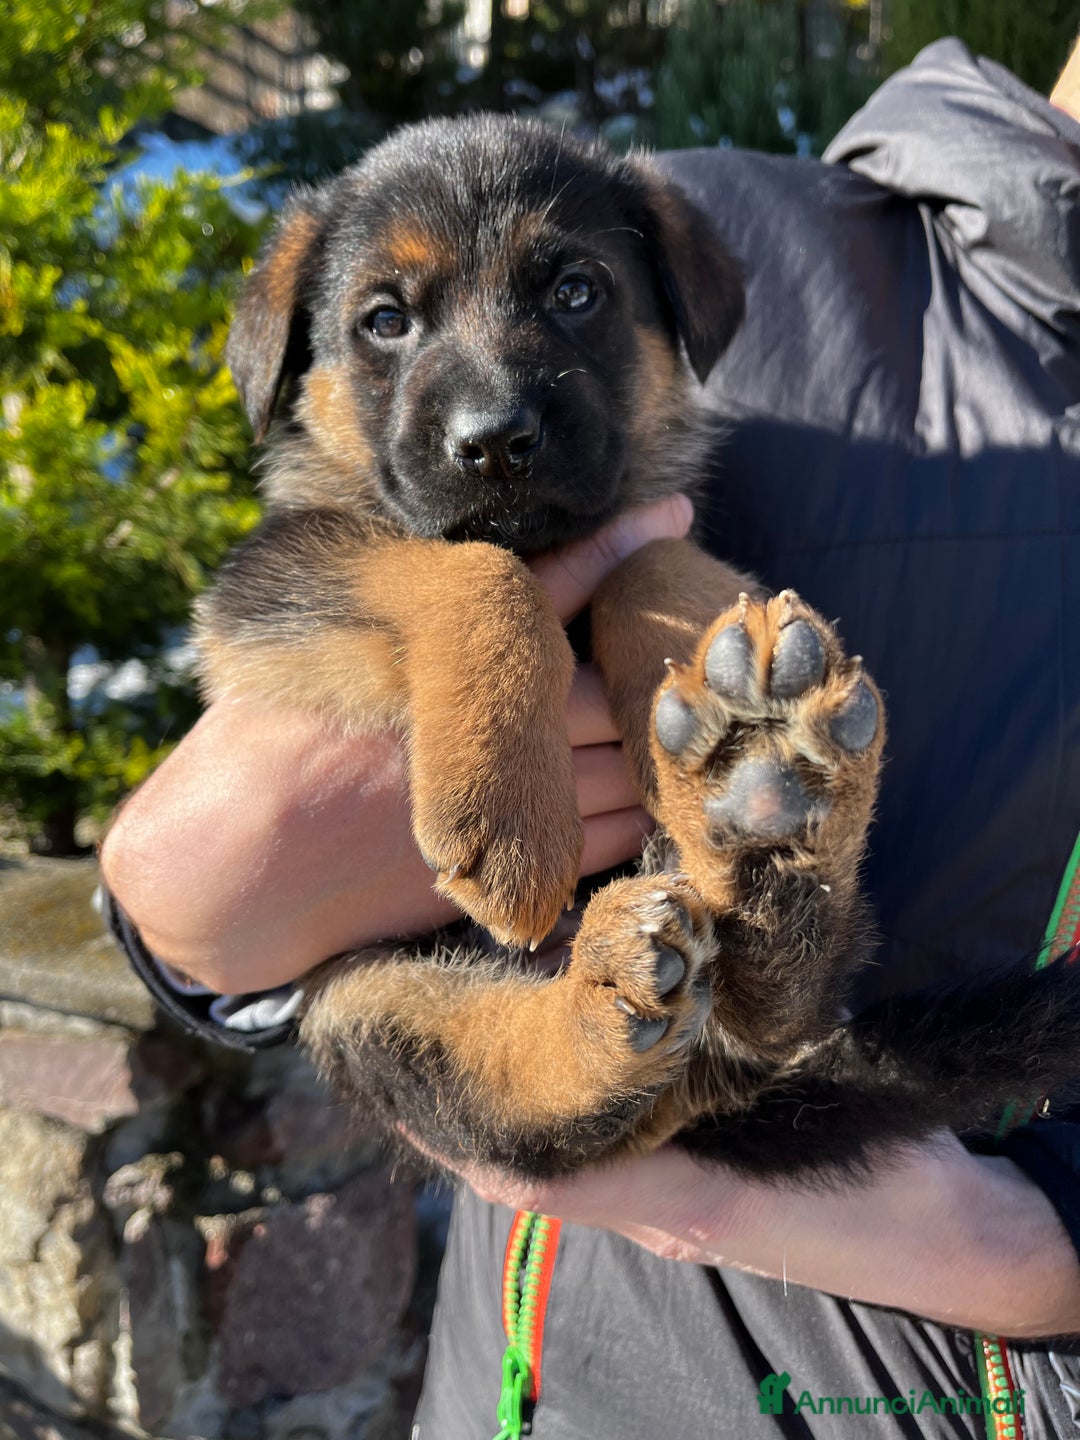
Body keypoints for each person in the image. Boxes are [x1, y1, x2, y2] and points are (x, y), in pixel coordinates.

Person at [101, 36, 1080, 1438]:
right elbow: (256, 646)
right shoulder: (755, 225)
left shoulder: (677, 479)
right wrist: (191, 917)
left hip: (855, 1215)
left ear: (667, 337)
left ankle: (687, 987)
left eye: (568, 297)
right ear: (298, 363)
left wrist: (1024, 1247)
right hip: (532, 1319)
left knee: (681, 599)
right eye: (390, 320)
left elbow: (678, 576)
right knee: (381, 1015)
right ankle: (573, 1045)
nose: (492, 392)